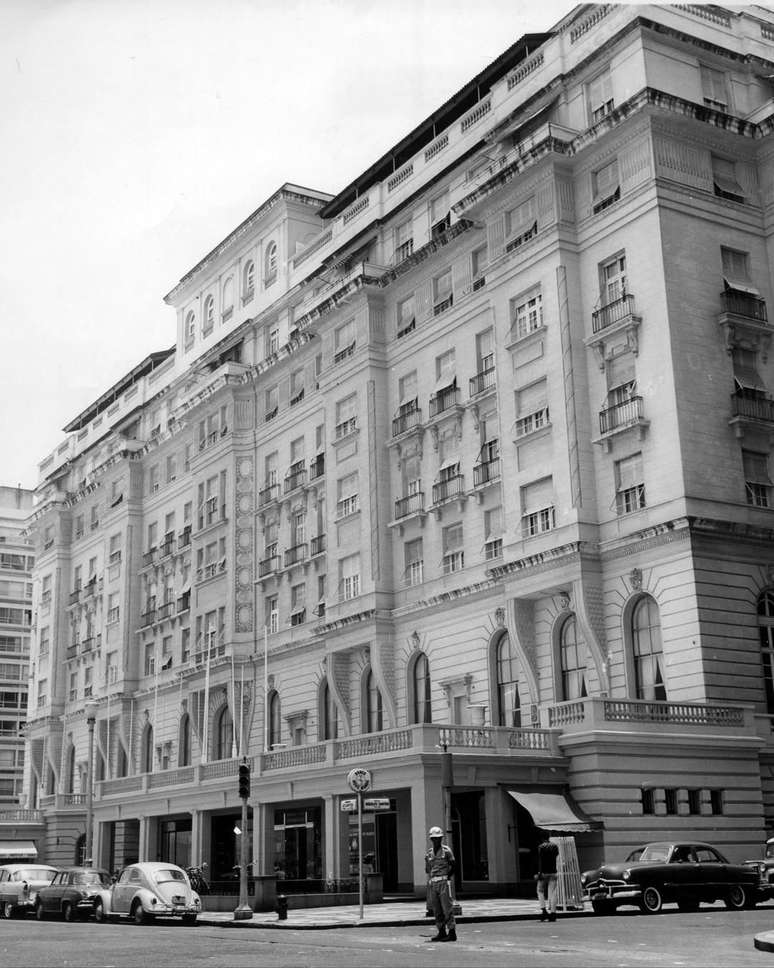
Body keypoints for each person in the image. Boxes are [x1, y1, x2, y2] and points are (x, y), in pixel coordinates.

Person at [424, 825, 457, 943]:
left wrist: (448, 876)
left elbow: (453, 865)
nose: (437, 840)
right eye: (434, 838)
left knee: (447, 908)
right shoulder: (429, 854)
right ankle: (441, 931)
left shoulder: (446, 850)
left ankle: (452, 932)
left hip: (443, 881)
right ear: (431, 839)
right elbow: (428, 869)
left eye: (439, 838)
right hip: (433, 883)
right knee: (436, 909)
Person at [536, 836, 559, 922]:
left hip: (544, 872)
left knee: (540, 891)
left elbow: (540, 860)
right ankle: (553, 913)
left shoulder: (541, 847)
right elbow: (556, 856)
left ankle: (544, 910)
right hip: (553, 871)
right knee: (552, 892)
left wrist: (539, 872)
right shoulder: (554, 846)